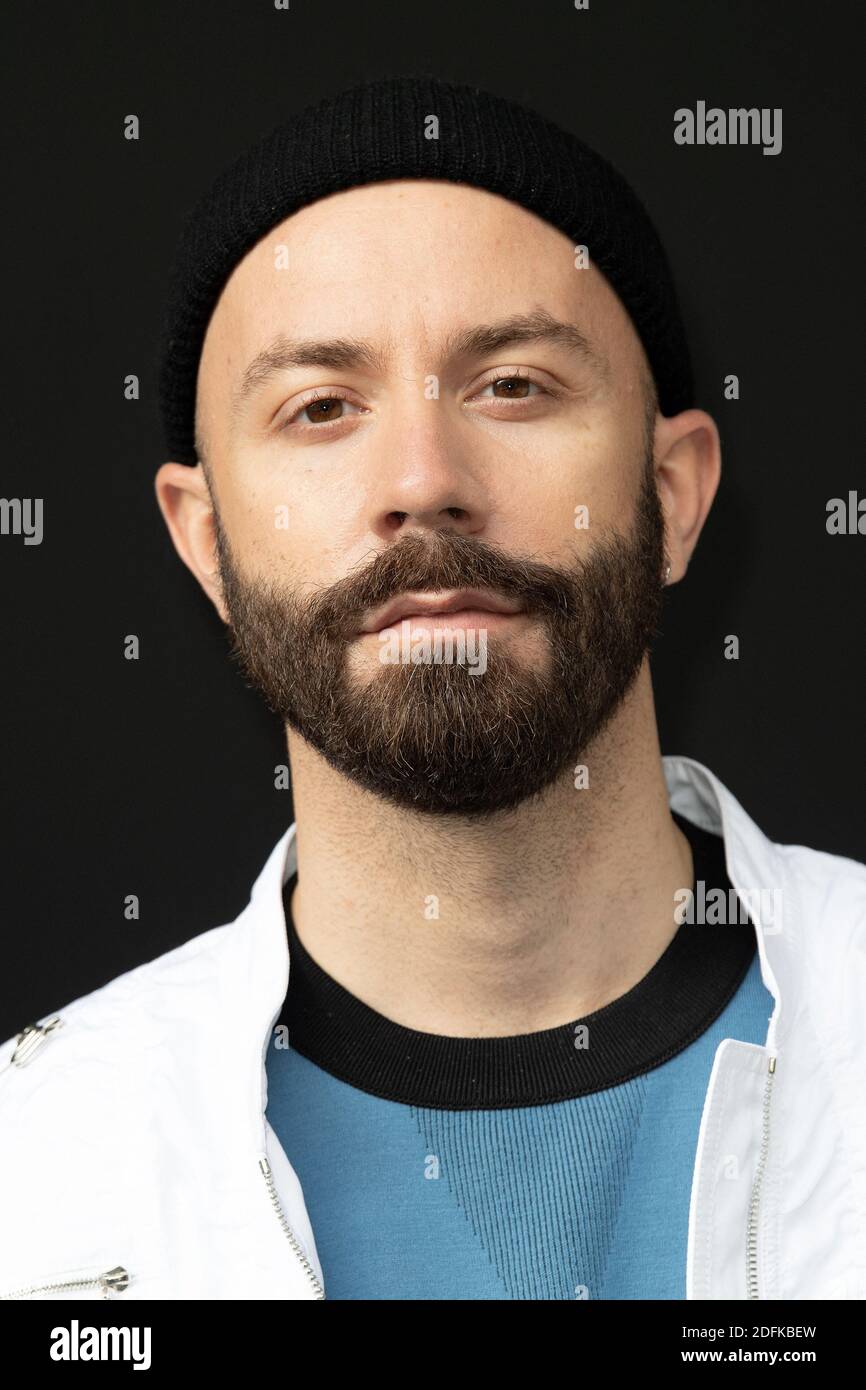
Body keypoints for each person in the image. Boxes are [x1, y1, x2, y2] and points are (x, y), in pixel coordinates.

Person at [1, 75, 864, 1303]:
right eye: (319, 408)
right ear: (206, 547)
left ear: (670, 495)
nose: (421, 479)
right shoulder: (31, 1177)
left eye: (511, 383)